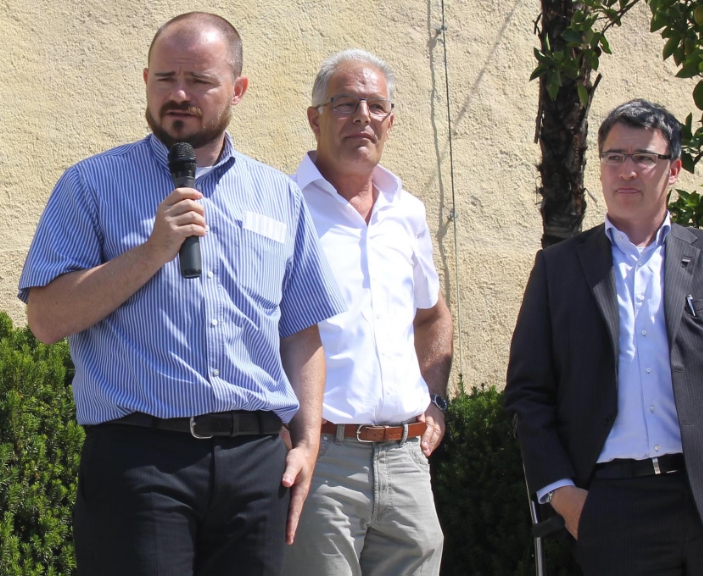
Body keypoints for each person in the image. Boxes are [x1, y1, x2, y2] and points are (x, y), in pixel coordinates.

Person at [18, 12, 344, 576]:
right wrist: (151, 252)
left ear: (238, 89)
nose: (180, 94)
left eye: (199, 80)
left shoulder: (278, 196)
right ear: (146, 80)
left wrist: (307, 442)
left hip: (256, 465)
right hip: (141, 462)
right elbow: (46, 320)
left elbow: (301, 330)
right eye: (166, 78)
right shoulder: (90, 185)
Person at [505, 99, 703, 575]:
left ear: (673, 169)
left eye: (644, 157)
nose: (627, 171)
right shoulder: (559, 269)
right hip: (611, 506)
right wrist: (561, 493)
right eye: (615, 157)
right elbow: (528, 392)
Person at [281, 49, 453, 576]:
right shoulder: (282, 205)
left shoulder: (407, 212)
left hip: (406, 461)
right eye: (345, 104)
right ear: (315, 118)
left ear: (391, 121)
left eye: (376, 106)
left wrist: (437, 402)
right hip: (321, 459)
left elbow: (432, 316)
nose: (363, 117)